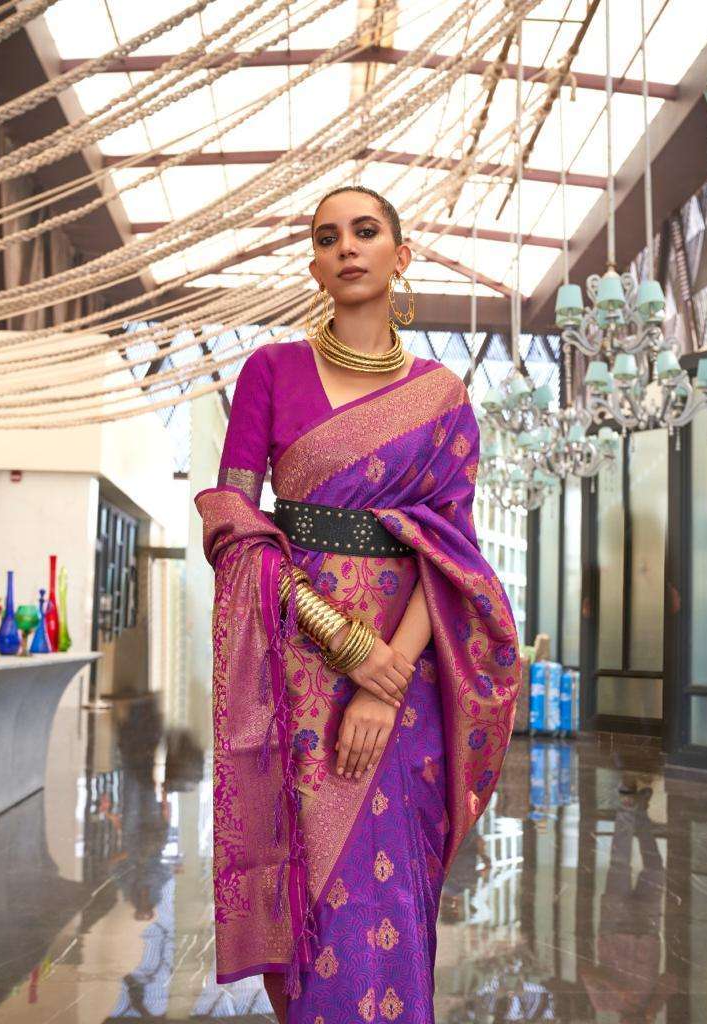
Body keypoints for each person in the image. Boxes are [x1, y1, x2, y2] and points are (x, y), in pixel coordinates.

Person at [195, 185, 521, 1023]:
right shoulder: (271, 372)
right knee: (315, 890)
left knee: (395, 893)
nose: (345, 246)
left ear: (399, 256)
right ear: (314, 265)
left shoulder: (443, 398)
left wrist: (386, 674)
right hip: (299, 669)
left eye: (365, 231)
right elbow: (233, 521)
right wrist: (341, 641)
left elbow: (451, 554)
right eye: (326, 236)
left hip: (406, 680)